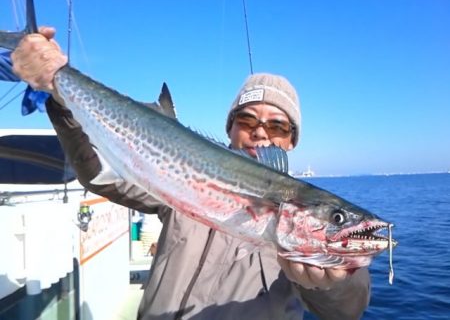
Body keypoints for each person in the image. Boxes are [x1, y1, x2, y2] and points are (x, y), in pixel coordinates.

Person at [11, 27, 370, 320]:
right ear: (230, 129)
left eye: (277, 126)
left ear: (291, 141)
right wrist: (58, 89)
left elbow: (348, 309)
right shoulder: (180, 181)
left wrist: (333, 282)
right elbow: (96, 173)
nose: (260, 132)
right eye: (247, 120)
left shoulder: (316, 230)